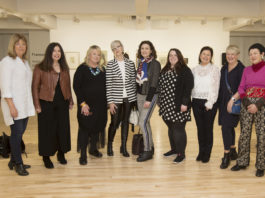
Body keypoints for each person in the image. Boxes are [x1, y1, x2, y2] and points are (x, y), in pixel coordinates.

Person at [32, 42, 73, 169]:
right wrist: (37, 105)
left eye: (59, 51)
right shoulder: (40, 67)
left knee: (63, 129)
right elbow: (34, 88)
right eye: (54, 51)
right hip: (46, 102)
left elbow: (67, 85)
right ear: (49, 52)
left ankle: (61, 154)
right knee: (47, 131)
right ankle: (46, 157)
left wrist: (70, 100)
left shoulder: (64, 67)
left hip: (62, 103)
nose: (57, 53)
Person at [0, 34, 35, 176]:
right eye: (18, 44)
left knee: (20, 133)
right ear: (13, 46)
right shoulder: (7, 62)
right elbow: (4, 86)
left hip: (25, 104)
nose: (21, 47)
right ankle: (18, 164)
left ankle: (13, 161)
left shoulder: (24, 62)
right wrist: (11, 106)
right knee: (16, 134)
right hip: (14, 104)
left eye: (23, 44)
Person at [231, 43, 265, 177]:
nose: (252, 56)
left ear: (262, 54)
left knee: (262, 136)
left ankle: (261, 165)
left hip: (263, 105)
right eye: (250, 54)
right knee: (244, 134)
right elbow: (241, 88)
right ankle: (242, 162)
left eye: (255, 53)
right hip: (247, 104)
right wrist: (247, 103)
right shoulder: (247, 70)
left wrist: (258, 105)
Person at [73, 45, 107, 165]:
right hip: (86, 105)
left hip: (100, 106)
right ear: (88, 55)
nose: (97, 56)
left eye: (98, 54)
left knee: (96, 128)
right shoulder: (82, 69)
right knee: (85, 129)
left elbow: (106, 88)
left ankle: (93, 149)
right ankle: (83, 155)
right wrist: (83, 104)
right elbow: (76, 87)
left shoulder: (102, 70)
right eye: (94, 54)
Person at [158, 48, 194, 163]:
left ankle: (181, 153)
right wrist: (160, 101)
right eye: (170, 55)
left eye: (175, 55)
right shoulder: (166, 69)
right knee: (171, 128)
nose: (172, 57)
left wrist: (185, 103)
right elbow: (161, 86)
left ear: (179, 57)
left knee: (178, 129)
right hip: (166, 105)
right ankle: (174, 149)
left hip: (179, 105)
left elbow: (188, 88)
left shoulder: (184, 70)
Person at [106, 40, 136, 157]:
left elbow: (133, 82)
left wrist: (134, 99)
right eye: (114, 48)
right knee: (114, 122)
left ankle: (123, 147)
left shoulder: (130, 63)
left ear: (122, 48)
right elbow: (108, 84)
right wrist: (110, 102)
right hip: (116, 99)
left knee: (125, 123)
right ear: (112, 51)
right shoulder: (110, 64)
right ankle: (110, 144)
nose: (116, 50)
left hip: (128, 98)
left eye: (118, 47)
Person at [192, 46, 220, 163]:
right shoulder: (194, 69)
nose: (205, 56)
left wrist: (210, 102)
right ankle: (201, 151)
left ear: (211, 57)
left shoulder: (214, 69)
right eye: (204, 54)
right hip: (196, 101)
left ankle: (207, 153)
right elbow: (191, 87)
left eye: (208, 54)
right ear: (200, 55)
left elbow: (215, 87)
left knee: (208, 129)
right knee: (200, 129)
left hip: (209, 102)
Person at [217, 45, 244, 169]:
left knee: (226, 127)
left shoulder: (241, 69)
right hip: (223, 103)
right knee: (228, 127)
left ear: (237, 55)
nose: (230, 56)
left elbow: (242, 88)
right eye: (228, 54)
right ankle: (233, 150)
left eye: (232, 54)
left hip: (234, 102)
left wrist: (232, 100)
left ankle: (226, 154)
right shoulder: (224, 68)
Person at [135, 40, 161, 162]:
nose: (144, 50)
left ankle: (147, 151)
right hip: (139, 95)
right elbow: (137, 81)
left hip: (150, 96)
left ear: (151, 50)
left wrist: (149, 99)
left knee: (142, 122)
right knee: (146, 122)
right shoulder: (140, 63)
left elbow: (154, 82)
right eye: (142, 48)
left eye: (147, 48)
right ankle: (150, 147)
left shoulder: (155, 63)